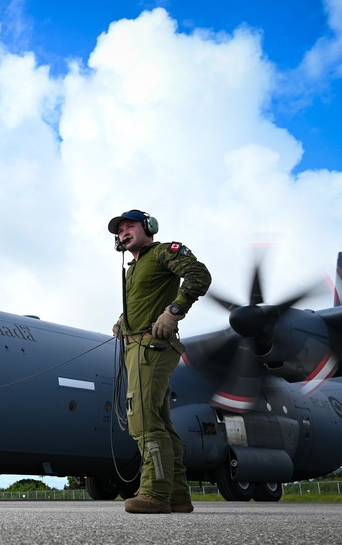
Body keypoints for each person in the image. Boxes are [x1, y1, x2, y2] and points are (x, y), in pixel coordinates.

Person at [108, 209, 211, 514]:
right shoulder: (132, 269)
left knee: (143, 420)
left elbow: (199, 275)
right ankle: (178, 496)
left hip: (151, 347)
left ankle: (154, 493)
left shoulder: (163, 252)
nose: (124, 232)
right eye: (120, 230)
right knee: (162, 422)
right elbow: (144, 301)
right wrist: (122, 322)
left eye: (130, 226)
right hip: (134, 345)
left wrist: (174, 312)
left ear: (148, 227)